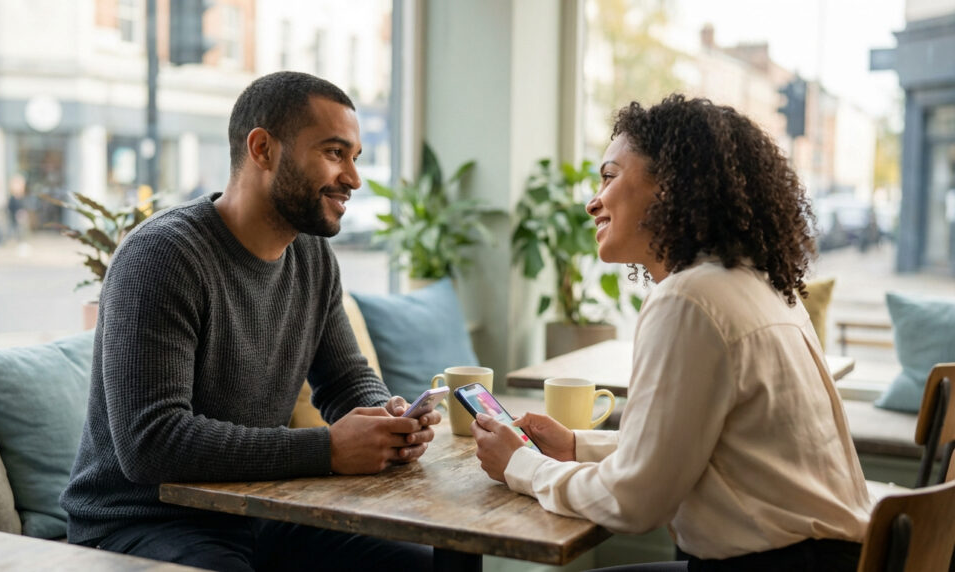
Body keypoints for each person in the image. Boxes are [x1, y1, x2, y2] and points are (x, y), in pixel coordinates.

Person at [470, 95, 872, 571]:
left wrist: (522, 466)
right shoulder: (757, 284)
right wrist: (576, 446)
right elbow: (690, 446)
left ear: (672, 186)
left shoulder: (689, 299)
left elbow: (635, 501)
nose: (591, 201)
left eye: (610, 176)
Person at [60, 71, 440, 571]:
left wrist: (387, 420)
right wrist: (326, 449)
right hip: (141, 523)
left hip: (261, 509)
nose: (353, 178)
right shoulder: (163, 256)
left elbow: (345, 380)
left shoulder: (312, 257)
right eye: (334, 153)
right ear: (262, 149)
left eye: (355, 157)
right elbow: (151, 443)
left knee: (424, 565)